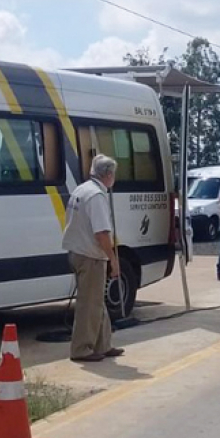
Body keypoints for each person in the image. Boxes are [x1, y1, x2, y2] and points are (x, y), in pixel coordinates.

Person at [62, 155, 124, 362]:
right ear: (107, 174)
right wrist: (113, 259)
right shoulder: (97, 196)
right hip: (90, 256)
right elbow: (102, 234)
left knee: (96, 301)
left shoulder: (82, 189)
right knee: (90, 303)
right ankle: (81, 349)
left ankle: (103, 344)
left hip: (78, 251)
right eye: (113, 174)